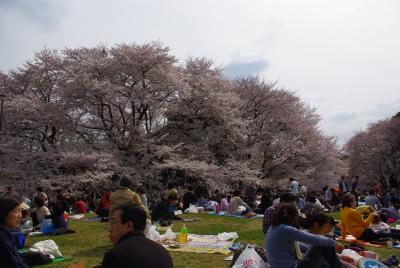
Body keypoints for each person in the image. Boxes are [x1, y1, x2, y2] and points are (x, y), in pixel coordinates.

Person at [265, 204, 343, 268]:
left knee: (323, 246)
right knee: (324, 244)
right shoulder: (286, 230)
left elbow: (298, 245)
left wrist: (312, 250)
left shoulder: (273, 228)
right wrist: (334, 243)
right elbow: (314, 239)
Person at [101, 204, 173, 268]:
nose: (109, 229)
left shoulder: (115, 256)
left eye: (113, 222)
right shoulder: (162, 252)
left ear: (129, 225)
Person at [0, 196, 29, 268]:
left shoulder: (7, 233)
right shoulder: (2, 237)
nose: (20, 215)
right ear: (4, 213)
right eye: (16, 211)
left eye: (20, 211)